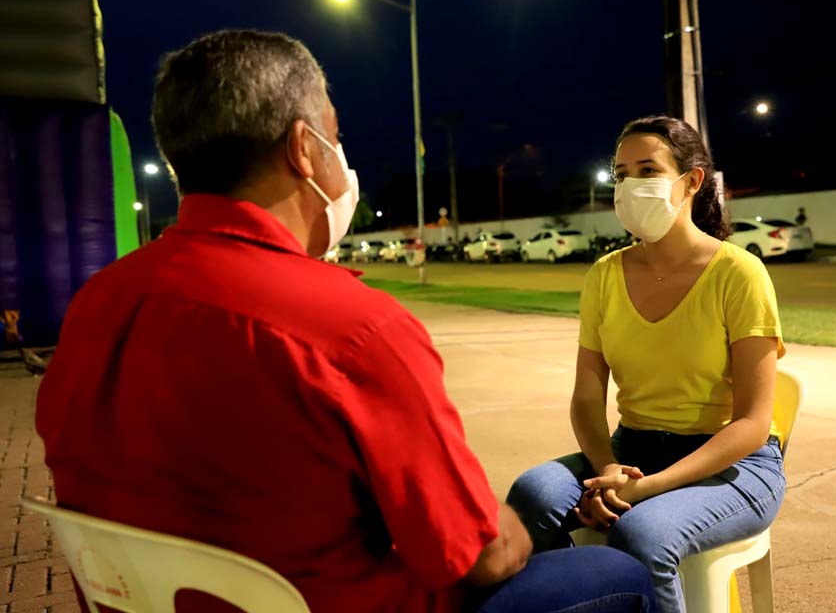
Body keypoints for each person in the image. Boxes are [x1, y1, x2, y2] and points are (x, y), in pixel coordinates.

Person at [35, 30, 656, 613]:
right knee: (614, 575)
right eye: (338, 138)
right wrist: (521, 533)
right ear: (305, 149)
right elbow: (475, 554)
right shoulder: (348, 326)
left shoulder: (99, 302)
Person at [507, 115, 786, 613]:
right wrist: (607, 468)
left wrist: (642, 490)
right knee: (532, 494)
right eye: (620, 173)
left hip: (731, 465)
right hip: (630, 450)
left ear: (692, 181)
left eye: (647, 170)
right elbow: (587, 397)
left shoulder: (739, 274)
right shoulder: (604, 276)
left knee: (642, 532)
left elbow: (752, 423)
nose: (631, 185)